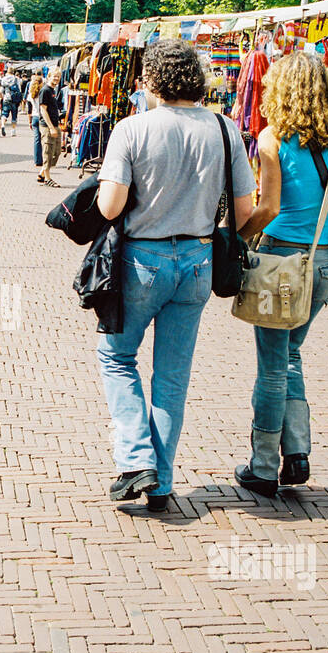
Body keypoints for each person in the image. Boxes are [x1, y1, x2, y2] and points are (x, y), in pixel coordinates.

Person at [95, 40, 256, 511]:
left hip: (141, 262)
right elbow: (244, 211)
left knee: (116, 357)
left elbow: (110, 206)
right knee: (172, 378)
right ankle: (161, 483)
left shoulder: (131, 129)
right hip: (199, 263)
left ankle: (136, 458)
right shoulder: (227, 131)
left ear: (150, 80)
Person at [234, 52, 328, 496]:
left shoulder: (272, 137)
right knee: (291, 355)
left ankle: (262, 466)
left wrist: (237, 237)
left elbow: (269, 207)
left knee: (272, 367)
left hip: (279, 262)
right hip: (325, 261)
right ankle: (296, 455)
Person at [37, 69, 63, 187]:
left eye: (58, 77)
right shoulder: (45, 90)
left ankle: (42, 173)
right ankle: (47, 178)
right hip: (47, 126)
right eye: (54, 77)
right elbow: (43, 110)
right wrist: (51, 127)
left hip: (55, 124)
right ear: (49, 77)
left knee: (56, 152)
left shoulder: (53, 90)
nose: (56, 79)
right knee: (48, 152)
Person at [28, 71, 45, 170]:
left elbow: (29, 109)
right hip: (42, 117)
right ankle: (43, 159)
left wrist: (29, 121)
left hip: (34, 117)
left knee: (37, 139)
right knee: (44, 139)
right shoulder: (43, 93)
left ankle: (37, 160)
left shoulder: (31, 94)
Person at [0, 66, 23, 135]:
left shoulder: (3, 79)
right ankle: (13, 131)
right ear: (13, 72)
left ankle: (3, 125)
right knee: (14, 115)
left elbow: (1, 90)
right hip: (14, 99)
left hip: (6, 98)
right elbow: (19, 89)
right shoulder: (17, 79)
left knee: (4, 113)